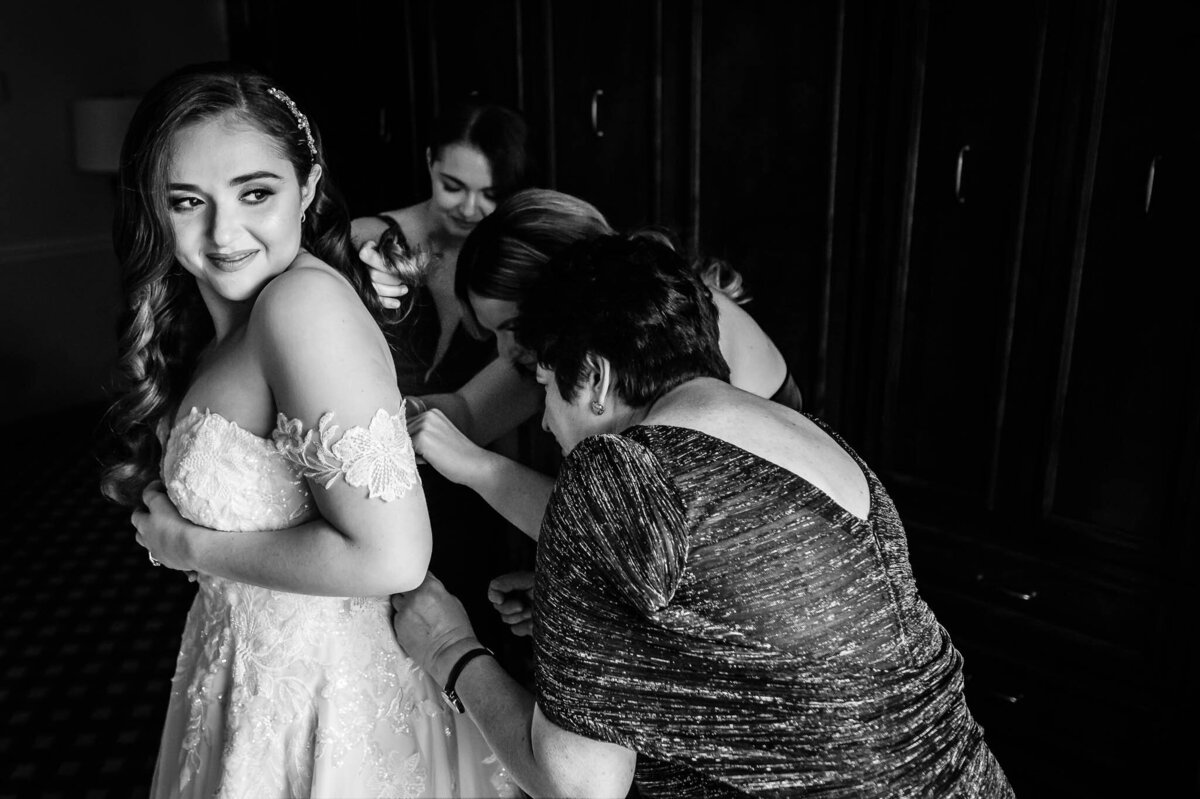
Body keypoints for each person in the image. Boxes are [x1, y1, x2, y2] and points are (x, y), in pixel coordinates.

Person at [390, 233, 1014, 797]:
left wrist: (449, 646)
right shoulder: (811, 437)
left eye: (548, 385)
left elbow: (578, 786)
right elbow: (773, 657)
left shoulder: (617, 470)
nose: (547, 418)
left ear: (599, 379)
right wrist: (593, 612)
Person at [100, 63, 516, 798]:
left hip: (328, 696)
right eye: (188, 200)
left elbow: (392, 555)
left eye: (256, 192)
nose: (224, 232)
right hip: (249, 671)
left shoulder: (300, 308)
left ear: (310, 186)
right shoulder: (228, 315)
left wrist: (188, 544)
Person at [372, 188, 802, 635]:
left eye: (513, 327)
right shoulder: (569, 339)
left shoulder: (681, 337)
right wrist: (365, 413)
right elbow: (466, 412)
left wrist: (477, 468)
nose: (507, 352)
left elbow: (644, 542)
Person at [352, 102, 534, 657]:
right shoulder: (367, 242)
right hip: (371, 469)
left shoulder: (504, 266)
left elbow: (495, 399)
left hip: (469, 479)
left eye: (491, 194)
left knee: (469, 631)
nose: (471, 208)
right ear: (429, 163)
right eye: (454, 185)